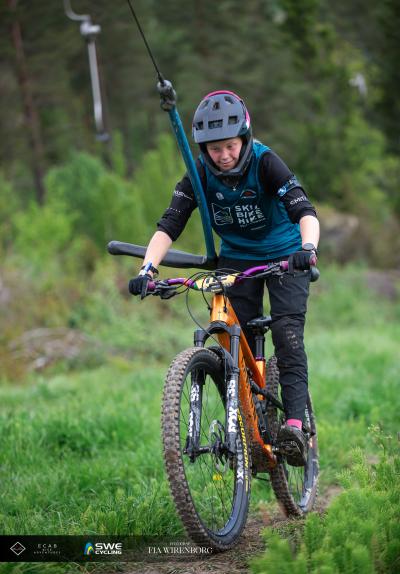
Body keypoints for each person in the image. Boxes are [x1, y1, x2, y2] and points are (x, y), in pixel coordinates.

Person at [129, 90, 320, 466]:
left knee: (286, 334)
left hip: (286, 255)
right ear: (204, 149)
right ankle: (246, 426)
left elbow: (305, 211)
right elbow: (170, 224)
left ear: (244, 139)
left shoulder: (265, 162)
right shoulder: (199, 173)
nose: (224, 155)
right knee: (232, 337)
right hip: (237, 258)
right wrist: (147, 269)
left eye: (230, 146)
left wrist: (307, 248)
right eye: (215, 149)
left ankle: (295, 427)